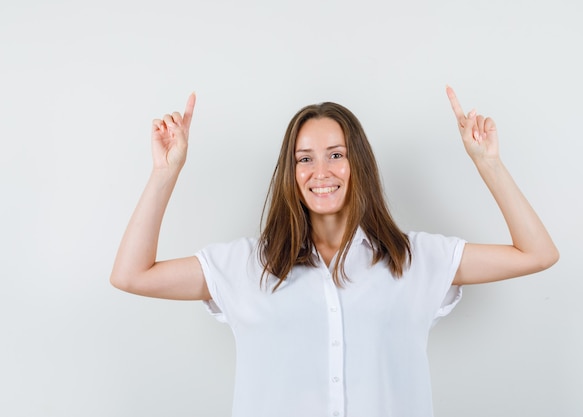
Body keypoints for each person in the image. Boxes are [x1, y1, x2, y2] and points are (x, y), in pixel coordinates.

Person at [110, 86, 559, 417]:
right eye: (304, 158)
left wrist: (489, 163)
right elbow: (131, 275)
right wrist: (165, 173)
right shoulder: (248, 267)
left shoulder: (414, 259)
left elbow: (537, 253)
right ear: (291, 171)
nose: (320, 171)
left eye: (335, 154)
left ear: (357, 163)